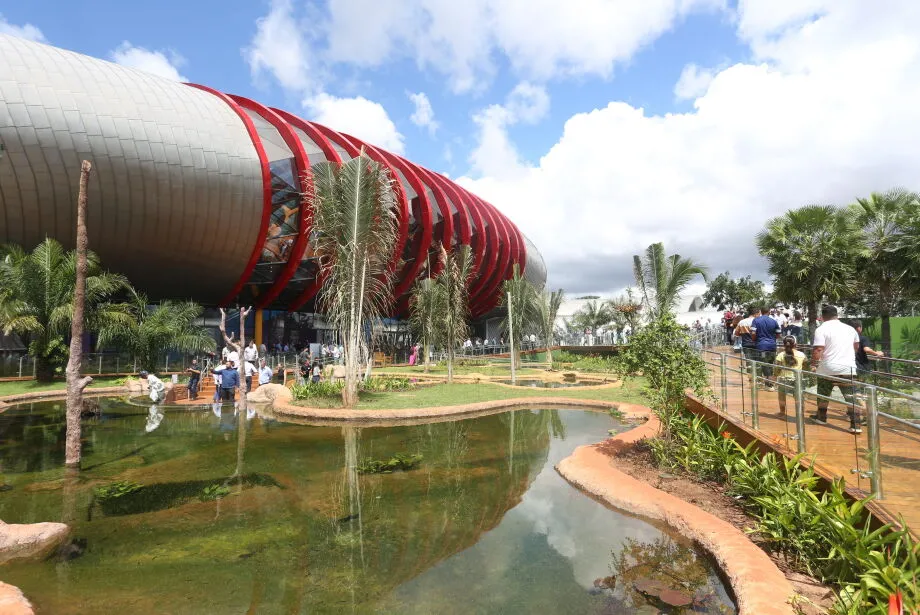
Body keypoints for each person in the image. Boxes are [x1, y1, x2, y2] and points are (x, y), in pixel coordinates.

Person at [811, 305, 861, 433]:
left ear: (823, 316)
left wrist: (814, 364)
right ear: (836, 315)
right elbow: (856, 346)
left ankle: (821, 417)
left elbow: (818, 349)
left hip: (827, 368)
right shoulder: (850, 329)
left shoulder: (821, 329)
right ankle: (855, 425)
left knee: (823, 394)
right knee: (851, 397)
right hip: (848, 368)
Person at [773, 336, 807, 413]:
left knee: (782, 396)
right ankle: (800, 414)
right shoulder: (802, 354)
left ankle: (782, 412)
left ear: (784, 345)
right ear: (796, 344)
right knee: (799, 397)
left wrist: (775, 376)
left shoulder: (781, 355)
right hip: (798, 379)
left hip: (784, 379)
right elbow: (806, 366)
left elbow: (777, 368)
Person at [751, 305, 781, 389]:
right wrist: (772, 338)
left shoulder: (756, 320)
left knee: (764, 363)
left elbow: (753, 333)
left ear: (761, 311)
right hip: (772, 346)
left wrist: (755, 340)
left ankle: (768, 382)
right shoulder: (774, 321)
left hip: (761, 347)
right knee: (770, 364)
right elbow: (778, 334)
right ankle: (769, 382)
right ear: (769, 312)